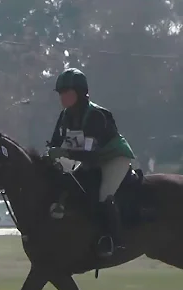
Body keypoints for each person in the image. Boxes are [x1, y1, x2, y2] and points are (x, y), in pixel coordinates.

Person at [45, 68, 136, 258]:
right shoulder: (65, 115)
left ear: (79, 93)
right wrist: (48, 155)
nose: (62, 98)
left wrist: (62, 152)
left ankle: (113, 240)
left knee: (103, 195)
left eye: (66, 93)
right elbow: (55, 142)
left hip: (114, 158)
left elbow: (90, 154)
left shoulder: (96, 115)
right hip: (90, 158)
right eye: (60, 93)